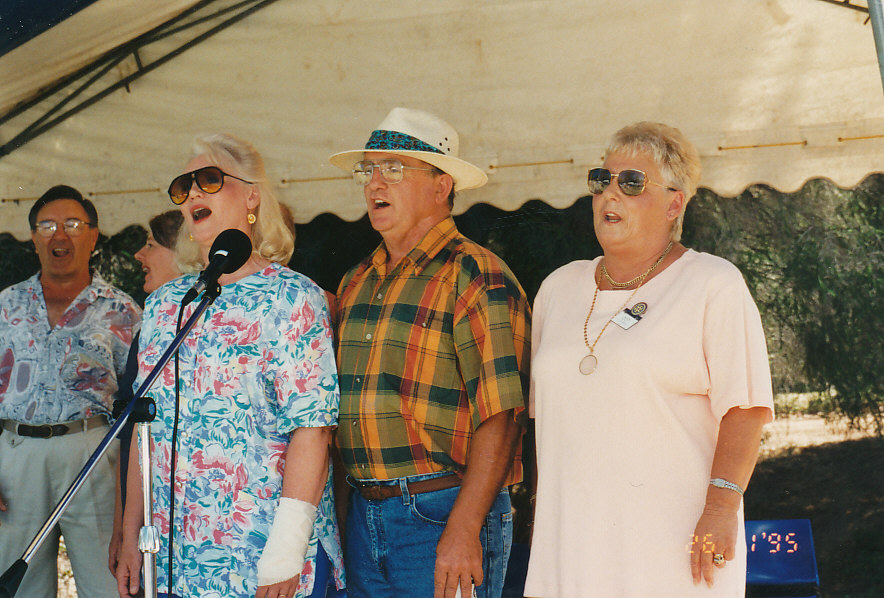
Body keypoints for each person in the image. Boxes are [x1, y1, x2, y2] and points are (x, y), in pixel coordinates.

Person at [524, 122, 774, 597]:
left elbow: (745, 407)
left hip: (673, 554)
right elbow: (549, 429)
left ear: (675, 203)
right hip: (570, 555)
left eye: (631, 183)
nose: (609, 195)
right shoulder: (557, 288)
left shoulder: (712, 284)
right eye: (602, 180)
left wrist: (721, 508)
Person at [114, 133, 344, 598]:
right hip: (178, 556)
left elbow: (314, 427)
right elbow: (144, 428)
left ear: (252, 195)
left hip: (264, 554)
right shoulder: (164, 306)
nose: (193, 193)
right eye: (185, 187)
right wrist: (133, 533)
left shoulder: (294, 297)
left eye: (210, 179)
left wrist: (287, 548)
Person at [328, 107, 531, 598]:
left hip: (443, 512)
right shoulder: (354, 282)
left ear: (442, 186)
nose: (375, 183)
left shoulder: (477, 276)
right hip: (364, 514)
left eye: (394, 169)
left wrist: (465, 528)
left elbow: (503, 417)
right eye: (368, 169)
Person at [0, 185, 141, 598]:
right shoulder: (5, 305)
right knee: (16, 585)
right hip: (14, 456)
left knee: (107, 582)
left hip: (94, 453)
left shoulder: (122, 309)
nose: (59, 236)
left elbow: (138, 400)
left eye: (73, 224)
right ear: (33, 238)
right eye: (47, 226)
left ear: (93, 236)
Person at [108, 210, 183, 578]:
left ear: (182, 253)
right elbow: (131, 437)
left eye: (152, 244)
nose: (140, 254)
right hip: (148, 516)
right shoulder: (150, 329)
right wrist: (124, 528)